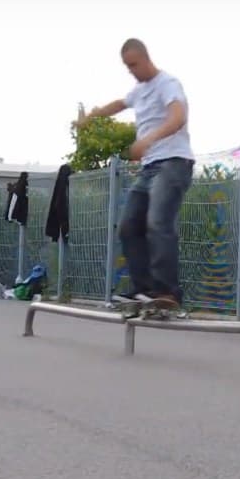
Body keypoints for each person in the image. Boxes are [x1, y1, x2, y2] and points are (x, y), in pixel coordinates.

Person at [75, 37, 194, 308]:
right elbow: (119, 103)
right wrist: (93, 115)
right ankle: (145, 289)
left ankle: (168, 293)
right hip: (150, 168)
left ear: (145, 58)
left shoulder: (168, 84)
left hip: (173, 162)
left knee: (157, 223)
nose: (131, 71)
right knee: (129, 226)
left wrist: (148, 140)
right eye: (127, 67)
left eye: (133, 65)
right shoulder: (139, 90)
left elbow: (178, 117)